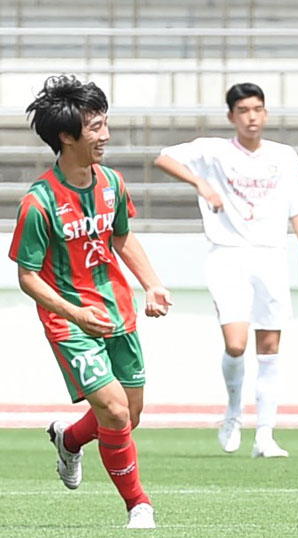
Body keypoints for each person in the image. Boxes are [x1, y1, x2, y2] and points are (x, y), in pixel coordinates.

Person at [9, 75, 172, 529]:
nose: (106, 135)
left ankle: (69, 440)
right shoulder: (39, 203)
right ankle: (138, 504)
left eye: (105, 124)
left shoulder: (113, 183)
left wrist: (151, 284)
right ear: (67, 136)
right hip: (71, 321)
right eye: (96, 127)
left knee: (128, 416)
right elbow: (26, 276)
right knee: (114, 410)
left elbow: (121, 236)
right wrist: (75, 313)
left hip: (117, 311)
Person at [154, 82, 298, 458]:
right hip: (228, 254)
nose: (251, 117)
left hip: (271, 255)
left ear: (266, 113)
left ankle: (265, 435)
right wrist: (201, 183)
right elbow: (163, 158)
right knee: (236, 343)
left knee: (270, 347)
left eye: (257, 109)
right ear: (231, 116)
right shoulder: (214, 151)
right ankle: (232, 413)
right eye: (243, 111)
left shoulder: (284, 156)